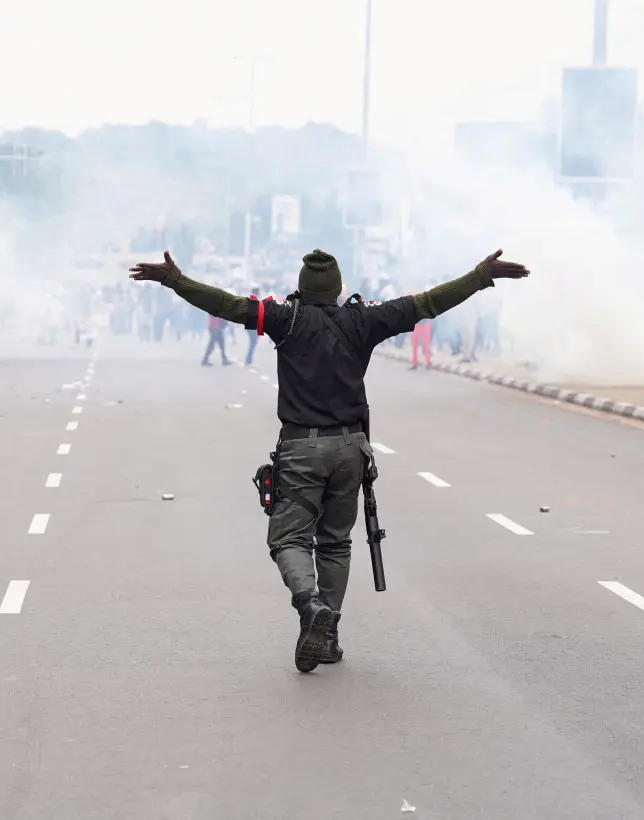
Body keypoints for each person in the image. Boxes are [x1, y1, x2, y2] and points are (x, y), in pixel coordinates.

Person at [129, 248, 529, 672]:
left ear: (300, 288)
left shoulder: (286, 319)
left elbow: (225, 305)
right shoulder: (364, 320)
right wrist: (481, 274)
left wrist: (175, 279)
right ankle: (329, 635)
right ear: (339, 290)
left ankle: (310, 605)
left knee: (288, 539)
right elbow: (430, 302)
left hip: (302, 448)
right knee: (336, 542)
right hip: (352, 449)